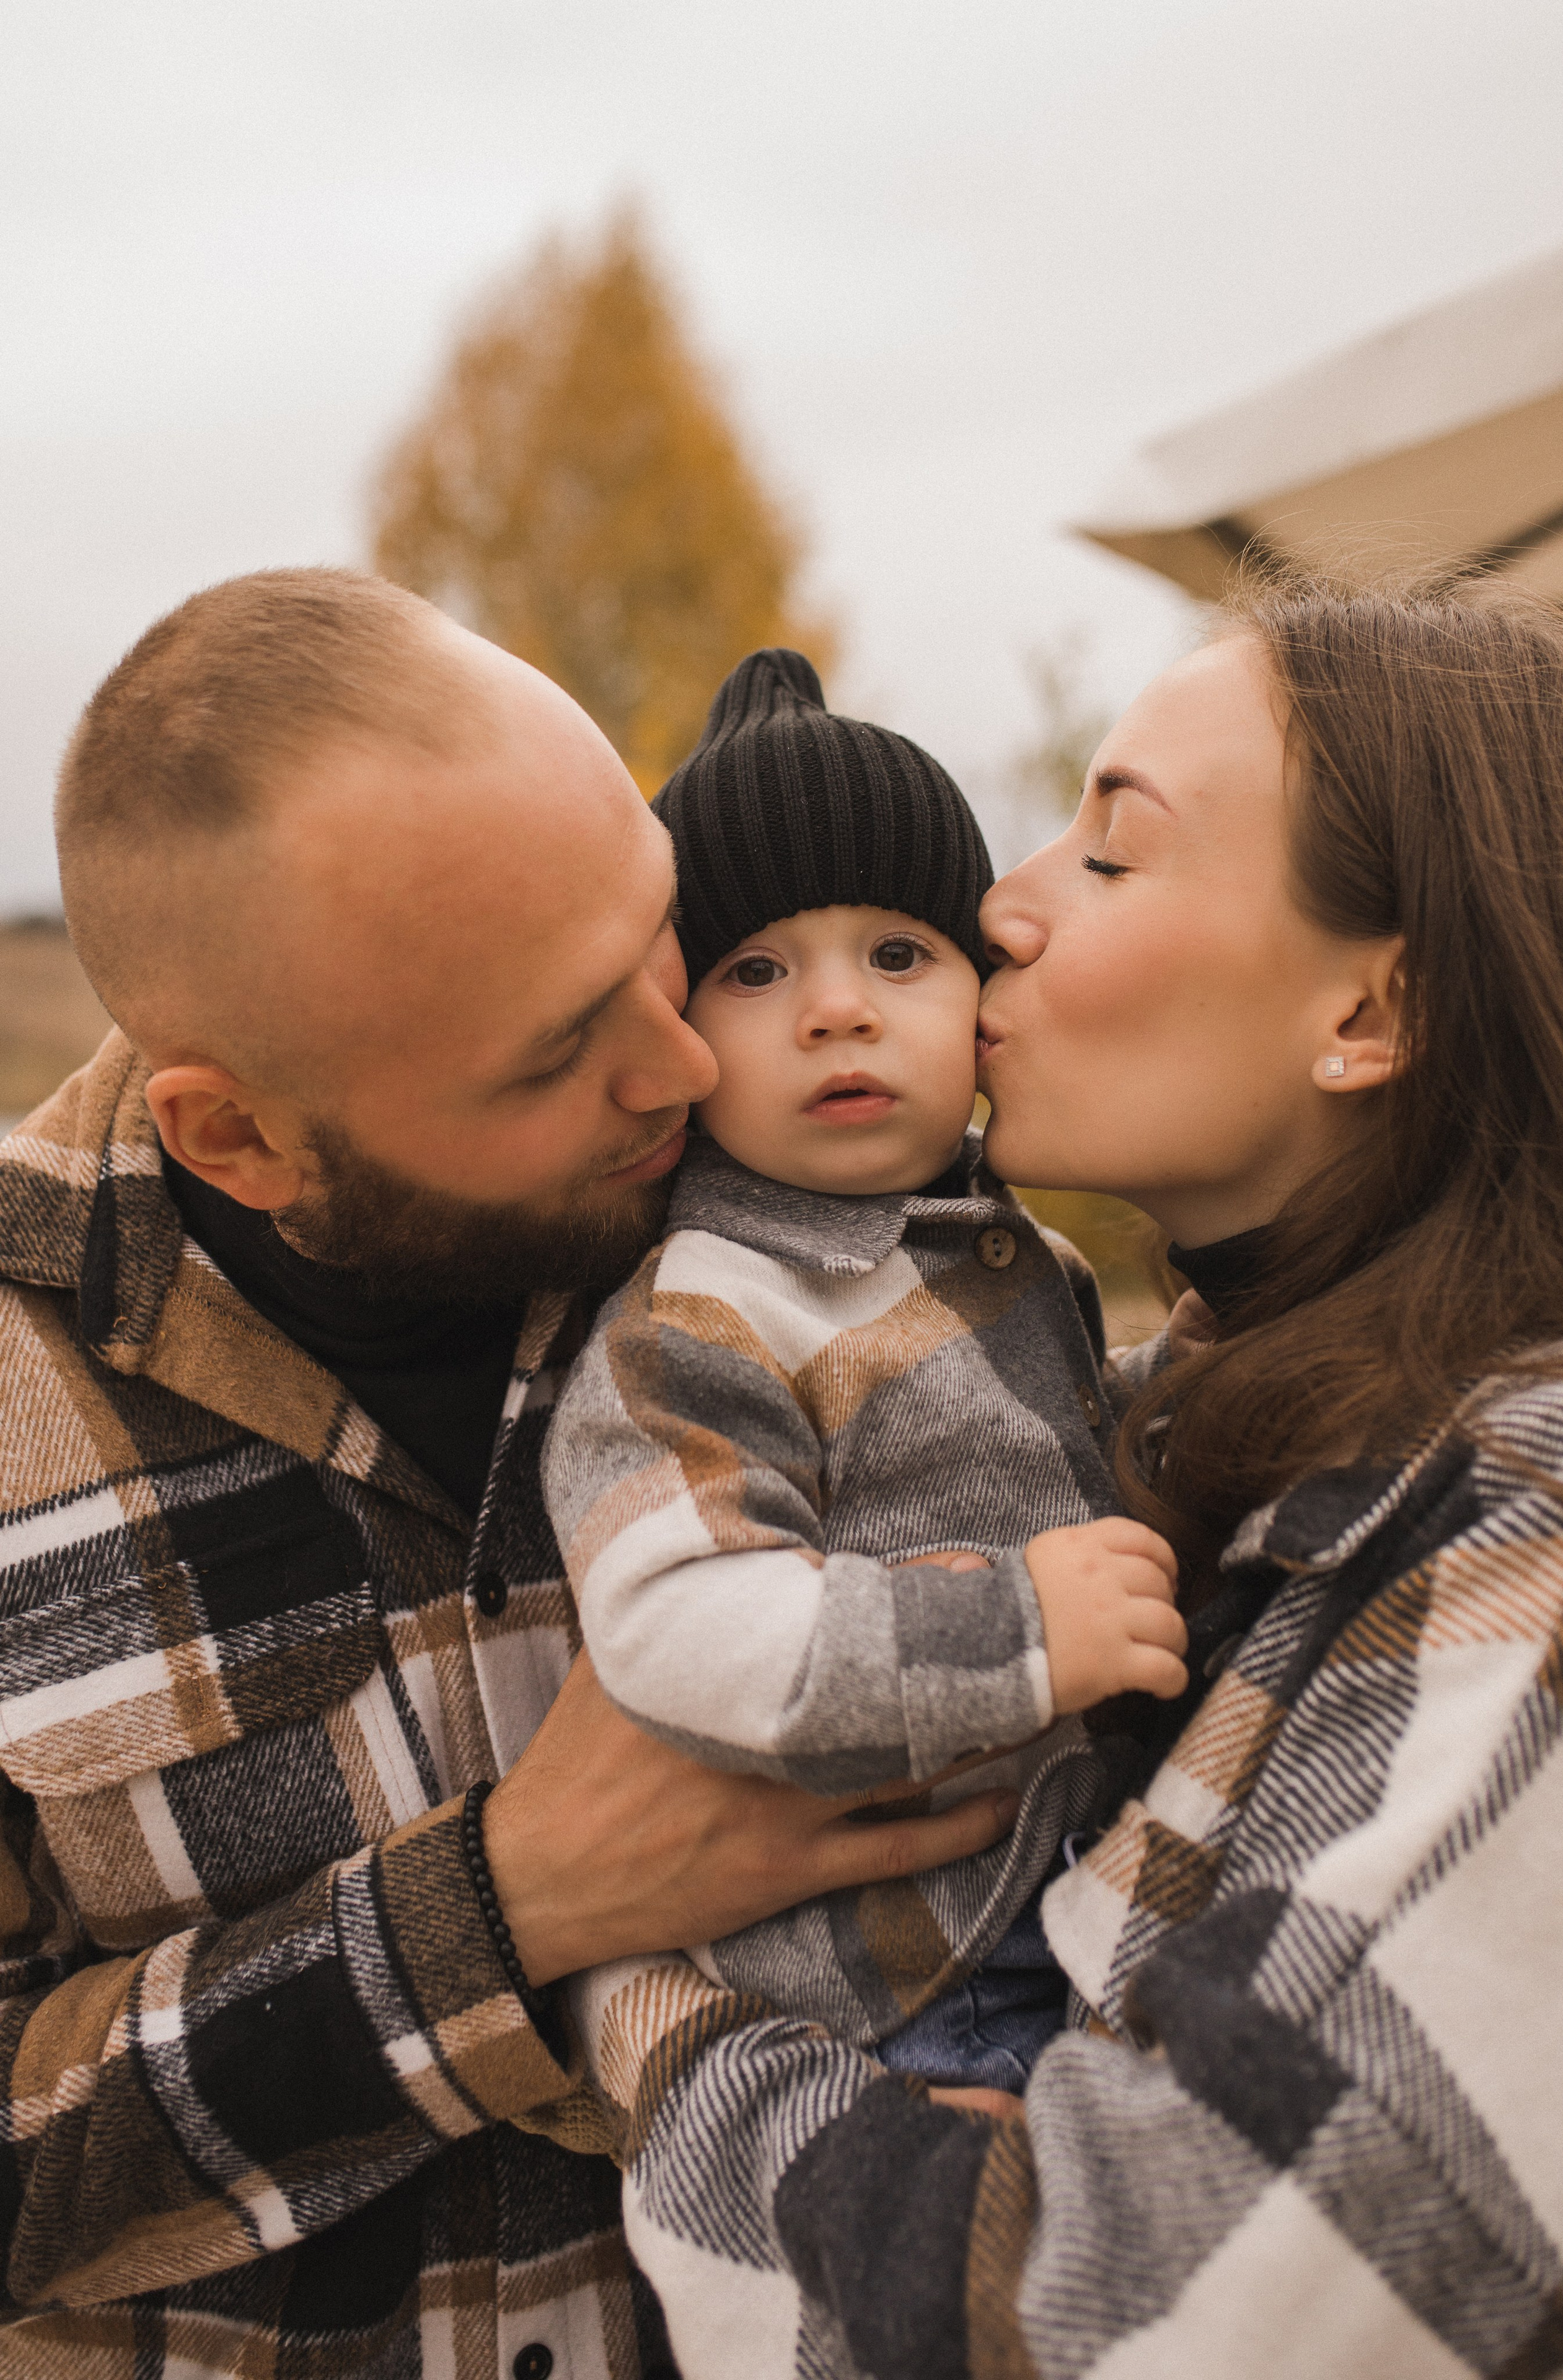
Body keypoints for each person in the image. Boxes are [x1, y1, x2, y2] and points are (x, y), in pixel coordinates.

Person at [0, 569, 1019, 2376]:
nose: (683, 1061)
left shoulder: (783, 1217)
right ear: (240, 1138)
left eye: (659, 929)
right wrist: (497, 1915)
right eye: (560, 1051)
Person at [571, 570, 1563, 2380]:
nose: (998, 910)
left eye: (1111, 851)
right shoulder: (1218, 1421)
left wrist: (632, 1987)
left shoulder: (1535, 1524)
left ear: (1370, 1013)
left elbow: (1091, 2325)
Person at [544, 647, 1185, 2096]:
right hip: (908, 1978)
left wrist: (1193, 1382)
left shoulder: (998, 1256)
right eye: (755, 972)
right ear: (679, 1033)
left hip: (1075, 1885)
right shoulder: (703, 1311)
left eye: (897, 956)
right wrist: (1010, 1628)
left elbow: (1066, 1453)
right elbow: (676, 1621)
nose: (835, 1010)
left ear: (980, 997)